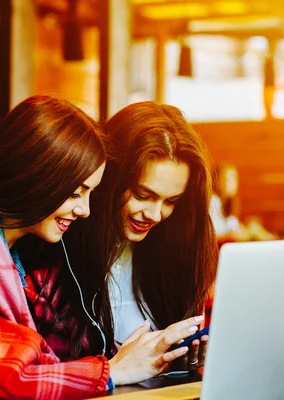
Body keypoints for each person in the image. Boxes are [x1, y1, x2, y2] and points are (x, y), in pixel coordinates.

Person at [0, 95, 202, 399]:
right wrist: (112, 370)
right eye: (76, 193)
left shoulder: (15, 251)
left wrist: (153, 357)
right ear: (37, 176)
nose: (86, 210)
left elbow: (42, 364)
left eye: (171, 202)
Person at [59, 102, 219, 370]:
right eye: (143, 195)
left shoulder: (176, 250)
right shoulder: (61, 247)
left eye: (171, 201)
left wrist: (184, 361)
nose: (155, 215)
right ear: (110, 179)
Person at [210, 163, 276, 242]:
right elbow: (214, 233)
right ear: (218, 180)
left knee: (253, 225)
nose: (233, 183)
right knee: (253, 229)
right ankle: (270, 240)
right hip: (224, 243)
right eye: (228, 179)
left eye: (235, 179)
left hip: (231, 240)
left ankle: (269, 239)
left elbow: (234, 225)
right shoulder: (213, 201)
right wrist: (232, 234)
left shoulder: (228, 203)